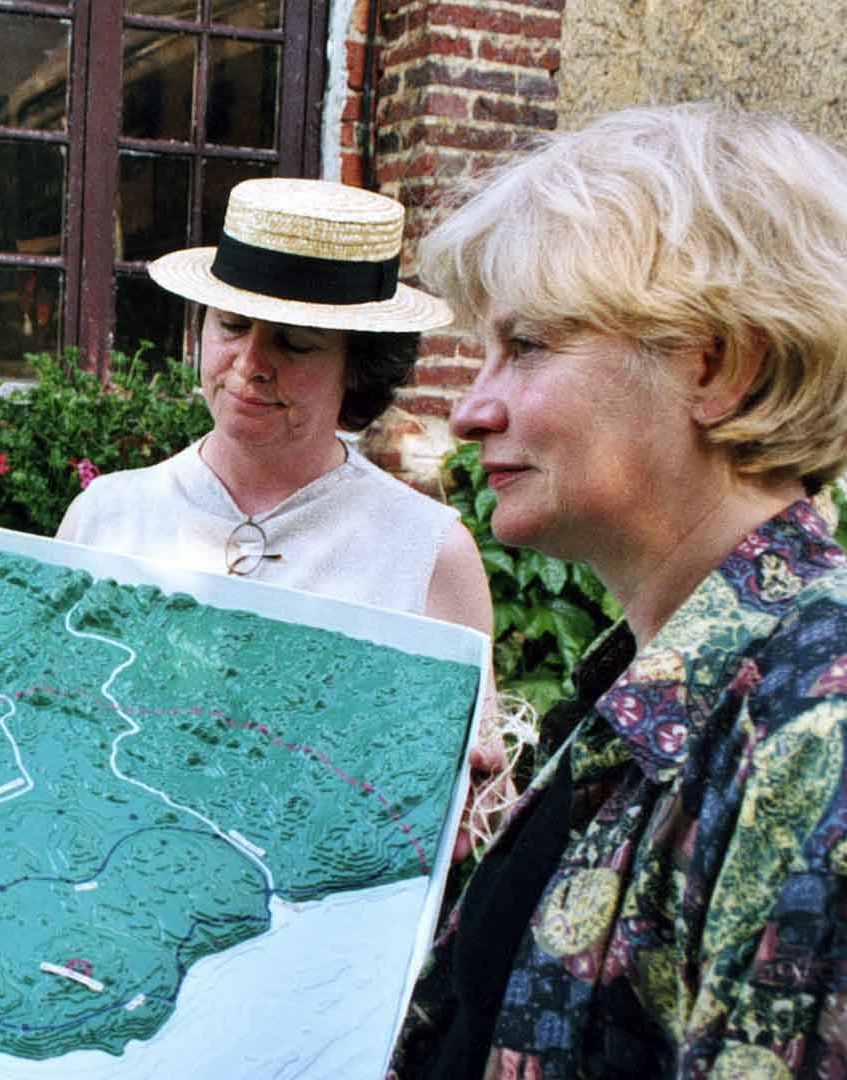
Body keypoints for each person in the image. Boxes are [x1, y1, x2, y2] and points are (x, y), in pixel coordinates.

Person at [389, 103, 847, 1076]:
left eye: (529, 345)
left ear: (719, 367)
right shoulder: (674, 688)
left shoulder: (818, 734)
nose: (471, 410)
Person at [55, 177, 493, 635]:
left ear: (359, 365)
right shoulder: (105, 516)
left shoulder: (427, 553)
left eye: (295, 343)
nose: (251, 364)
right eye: (233, 325)